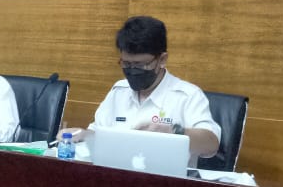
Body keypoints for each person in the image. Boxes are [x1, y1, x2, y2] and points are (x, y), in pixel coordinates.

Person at [66, 16, 220, 164]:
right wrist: (83, 134)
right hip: (117, 178)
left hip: (168, 184)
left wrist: (174, 132)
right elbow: (99, 134)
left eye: (140, 65)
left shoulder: (187, 96)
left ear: (162, 60)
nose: (132, 70)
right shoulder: (119, 91)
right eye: (126, 64)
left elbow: (211, 144)